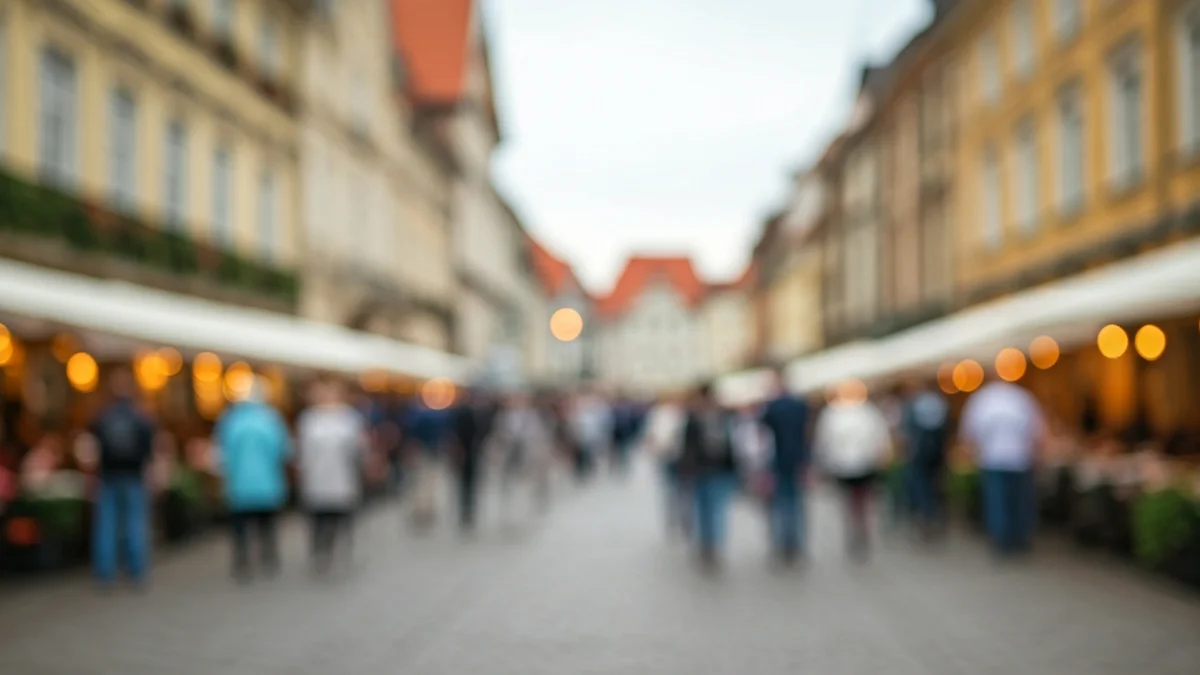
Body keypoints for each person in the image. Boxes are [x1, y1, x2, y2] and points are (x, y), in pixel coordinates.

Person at [78, 367, 157, 589]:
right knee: (135, 524)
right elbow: (149, 453)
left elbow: (89, 451)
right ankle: (137, 571)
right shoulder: (141, 418)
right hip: (134, 476)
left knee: (106, 526)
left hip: (108, 476)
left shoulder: (101, 418)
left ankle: (105, 572)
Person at [213, 376, 291, 582]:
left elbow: (221, 454)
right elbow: (283, 450)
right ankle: (269, 559)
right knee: (267, 525)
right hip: (267, 484)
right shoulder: (271, 419)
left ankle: (242, 563)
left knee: (241, 528)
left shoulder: (231, 420)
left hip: (238, 485)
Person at [959, 378, 1045, 557]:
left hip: (993, 459)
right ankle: (1019, 539)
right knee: (1019, 502)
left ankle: (1001, 540)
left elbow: (969, 432)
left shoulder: (982, 399)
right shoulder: (1022, 397)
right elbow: (1038, 430)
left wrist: (972, 453)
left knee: (998, 502)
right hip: (1020, 458)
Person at [295, 378, 369, 574]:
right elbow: (303, 450)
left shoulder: (349, 418)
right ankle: (320, 552)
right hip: (317, 478)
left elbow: (359, 447)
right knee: (319, 517)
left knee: (342, 515)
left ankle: (342, 551)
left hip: (342, 477)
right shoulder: (309, 418)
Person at [813, 379, 891, 561]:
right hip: (858, 464)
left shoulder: (833, 413)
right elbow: (881, 436)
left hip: (851, 464)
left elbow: (823, 440)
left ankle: (857, 529)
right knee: (860, 500)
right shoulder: (867, 412)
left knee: (853, 501)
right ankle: (860, 529)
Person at [679, 382, 738, 569]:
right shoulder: (725, 415)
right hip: (720, 469)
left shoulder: (694, 416)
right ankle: (713, 544)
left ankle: (707, 544)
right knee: (716, 509)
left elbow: (687, 447)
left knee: (703, 509)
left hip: (701, 470)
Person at [758, 366, 811, 564]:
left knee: (781, 504)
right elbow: (806, 434)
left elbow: (762, 437)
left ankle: (783, 543)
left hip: (777, 461)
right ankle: (796, 542)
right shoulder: (799, 404)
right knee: (796, 503)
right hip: (797, 460)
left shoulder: (771, 407)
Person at [901, 379, 950, 539]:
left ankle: (925, 513)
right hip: (937, 452)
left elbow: (908, 430)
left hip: (919, 452)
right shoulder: (940, 403)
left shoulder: (915, 404)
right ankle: (934, 513)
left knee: (920, 484)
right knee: (934, 483)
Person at [450, 388, 497, 534]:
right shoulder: (470, 413)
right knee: (468, 483)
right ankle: (468, 510)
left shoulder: (461, 413)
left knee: (465, 484)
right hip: (470, 453)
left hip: (468, 453)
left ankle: (466, 510)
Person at [644, 393, 688, 539]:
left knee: (681, 491)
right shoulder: (659, 414)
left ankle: (682, 518)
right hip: (667, 458)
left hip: (682, 459)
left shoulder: (684, 413)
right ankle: (674, 519)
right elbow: (651, 437)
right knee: (671, 491)